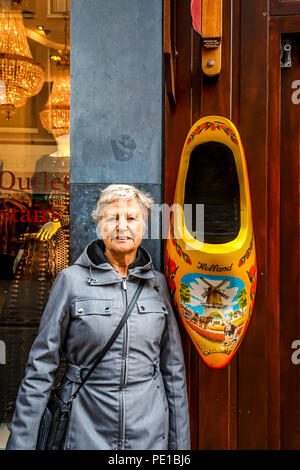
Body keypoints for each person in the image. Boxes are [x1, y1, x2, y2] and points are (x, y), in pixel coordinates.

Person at [6, 184, 190, 450]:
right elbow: (40, 370)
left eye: (131, 218)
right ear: (100, 226)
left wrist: (180, 449)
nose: (122, 226)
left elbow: (173, 374)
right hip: (84, 430)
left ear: (144, 227)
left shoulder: (158, 285)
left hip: (148, 434)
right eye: (112, 218)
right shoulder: (71, 281)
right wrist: (21, 445)